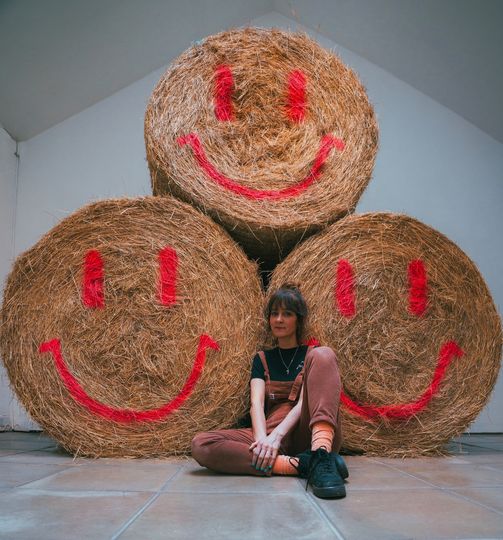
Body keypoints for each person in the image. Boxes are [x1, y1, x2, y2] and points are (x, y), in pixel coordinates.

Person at [191, 283, 347, 499]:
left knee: (325, 354)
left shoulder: (311, 354)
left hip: (307, 431)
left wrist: (278, 436)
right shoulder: (261, 359)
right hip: (272, 435)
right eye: (274, 314)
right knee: (201, 444)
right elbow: (256, 404)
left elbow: (304, 404)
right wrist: (264, 439)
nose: (279, 320)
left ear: (298, 320)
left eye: (287, 314)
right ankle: (301, 465)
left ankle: (320, 453)